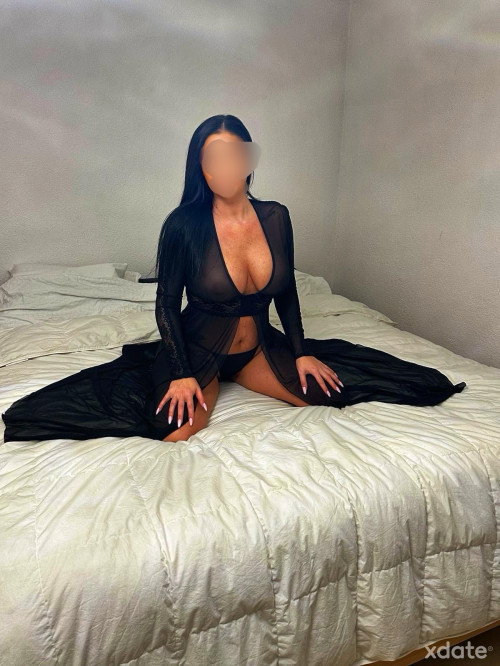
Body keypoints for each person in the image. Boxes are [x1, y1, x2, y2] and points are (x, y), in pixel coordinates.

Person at [1, 114, 466, 444]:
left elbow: (286, 294)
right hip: (197, 350)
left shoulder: (276, 217)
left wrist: (301, 351)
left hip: (256, 349)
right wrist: (182, 373)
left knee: (325, 396)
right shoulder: (183, 225)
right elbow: (166, 305)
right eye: (211, 159)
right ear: (200, 167)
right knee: (176, 430)